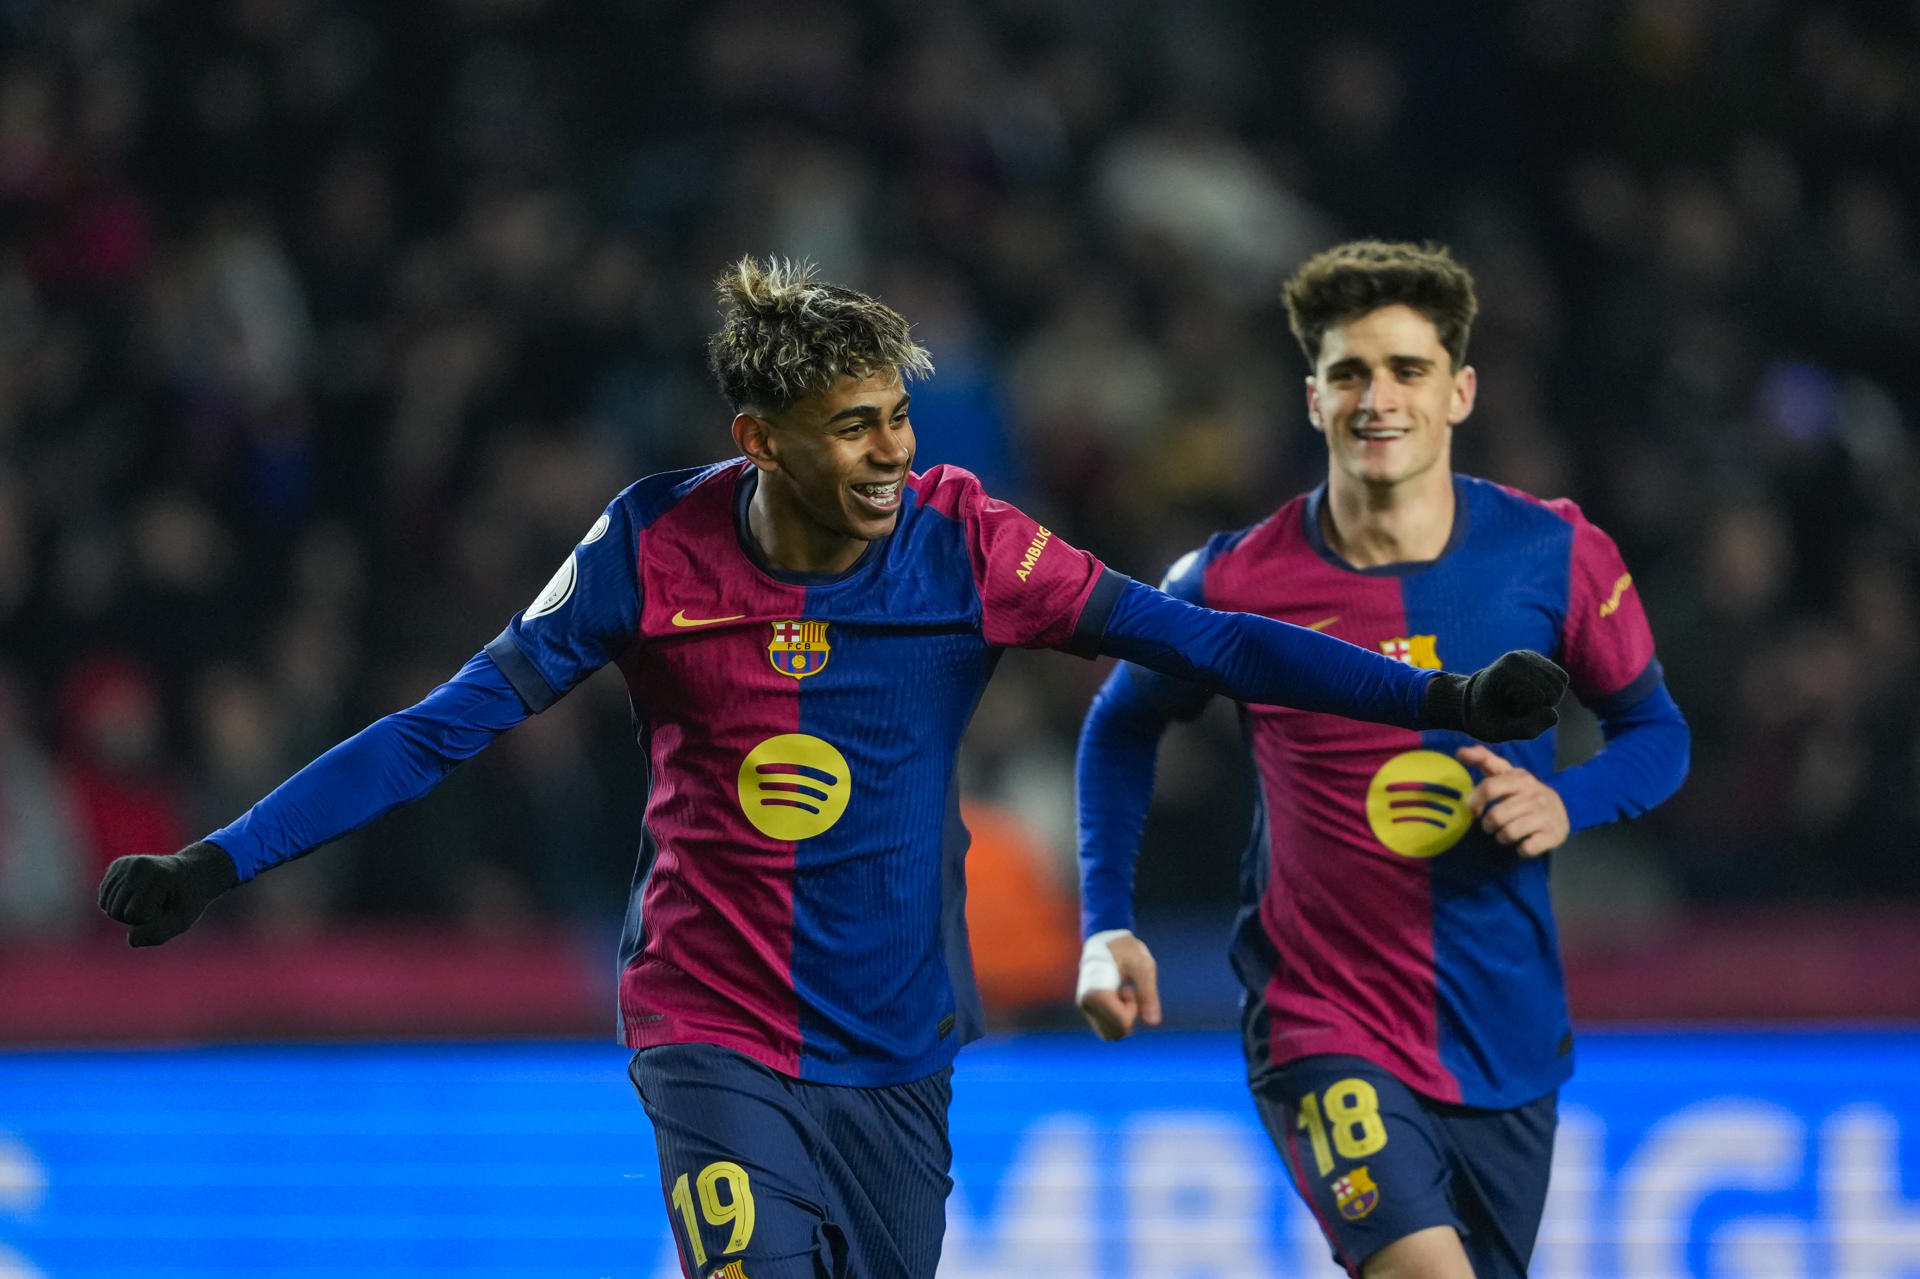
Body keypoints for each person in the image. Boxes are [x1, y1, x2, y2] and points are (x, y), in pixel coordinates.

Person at [99, 257, 1567, 1279]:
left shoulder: (967, 540)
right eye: (851, 425)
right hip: (710, 1023)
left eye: (898, 417)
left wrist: (1438, 693)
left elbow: (1213, 645)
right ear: (758, 440)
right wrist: (217, 858)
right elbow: (439, 727)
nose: (891, 451)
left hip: (895, 1046)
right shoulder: (645, 548)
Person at [1074, 241, 1689, 1279]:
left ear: (1461, 391)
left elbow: (1657, 733)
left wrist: (1565, 802)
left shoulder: (1556, 554)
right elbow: (1121, 721)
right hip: (1322, 1015)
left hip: (1504, 1029)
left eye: (1407, 369)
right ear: (1313, 398)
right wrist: (1106, 921)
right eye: (1350, 372)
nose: (1378, 397)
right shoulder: (1231, 579)